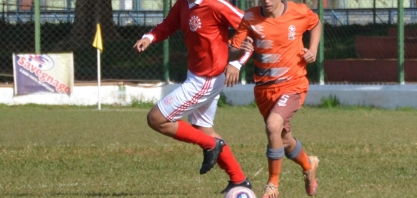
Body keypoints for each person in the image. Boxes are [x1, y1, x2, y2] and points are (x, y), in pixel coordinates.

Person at [133, 0, 253, 193]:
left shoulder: (216, 5)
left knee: (156, 119)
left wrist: (238, 62)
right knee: (203, 128)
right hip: (196, 75)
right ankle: (239, 179)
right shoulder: (183, 4)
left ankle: (212, 145)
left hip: (207, 79)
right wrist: (149, 37)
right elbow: (168, 25)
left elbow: (251, 24)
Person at [227, 0, 322, 197]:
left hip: (293, 84)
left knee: (272, 126)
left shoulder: (298, 12)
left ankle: (273, 184)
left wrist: (312, 50)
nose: (267, 1)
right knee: (284, 140)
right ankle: (308, 164)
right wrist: (240, 51)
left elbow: (316, 23)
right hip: (264, 90)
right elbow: (233, 50)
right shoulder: (250, 17)